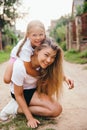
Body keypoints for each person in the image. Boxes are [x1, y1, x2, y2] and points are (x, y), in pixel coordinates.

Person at [0, 38, 74, 128]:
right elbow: (18, 94)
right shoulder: (20, 66)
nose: (49, 60)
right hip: (22, 92)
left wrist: (66, 77)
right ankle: (14, 108)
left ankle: (21, 107)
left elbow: (54, 72)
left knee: (55, 110)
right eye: (46, 55)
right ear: (37, 51)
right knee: (56, 109)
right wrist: (30, 118)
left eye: (53, 57)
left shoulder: (44, 64)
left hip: (33, 89)